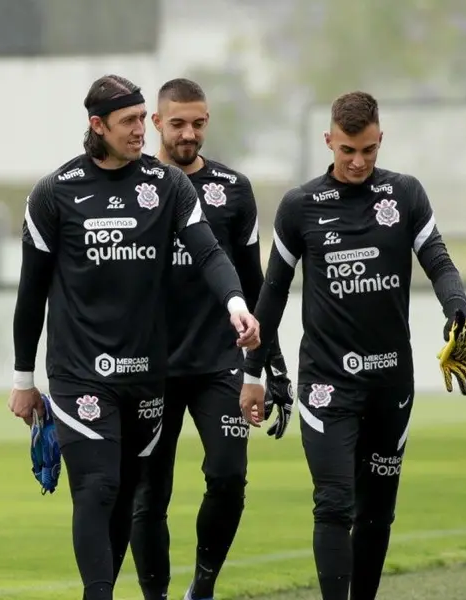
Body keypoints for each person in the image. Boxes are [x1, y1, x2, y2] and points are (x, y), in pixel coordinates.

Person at [8, 74, 261, 600]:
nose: (140, 131)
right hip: (81, 373)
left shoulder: (168, 186)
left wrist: (235, 303)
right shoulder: (54, 193)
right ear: (96, 126)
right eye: (128, 122)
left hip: (148, 377)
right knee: (97, 489)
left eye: (143, 119)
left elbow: (211, 252)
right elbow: (31, 294)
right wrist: (23, 378)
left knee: (125, 498)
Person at [238, 91, 466, 600]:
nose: (358, 161)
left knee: (377, 511)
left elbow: (438, 260)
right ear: (329, 141)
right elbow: (272, 295)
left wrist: (456, 311)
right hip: (328, 382)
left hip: (392, 380)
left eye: (368, 150)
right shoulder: (299, 206)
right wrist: (254, 375)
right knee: (333, 502)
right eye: (347, 150)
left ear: (380, 140)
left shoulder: (406, 194)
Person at [130, 78, 294, 600]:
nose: (188, 134)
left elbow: (255, 284)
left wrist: (271, 366)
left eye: (198, 123)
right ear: (155, 123)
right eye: (177, 123)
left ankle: (202, 587)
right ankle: (154, 594)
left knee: (228, 477)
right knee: (148, 494)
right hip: (148, 368)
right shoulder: (131, 185)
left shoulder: (233, 189)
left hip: (219, 363)